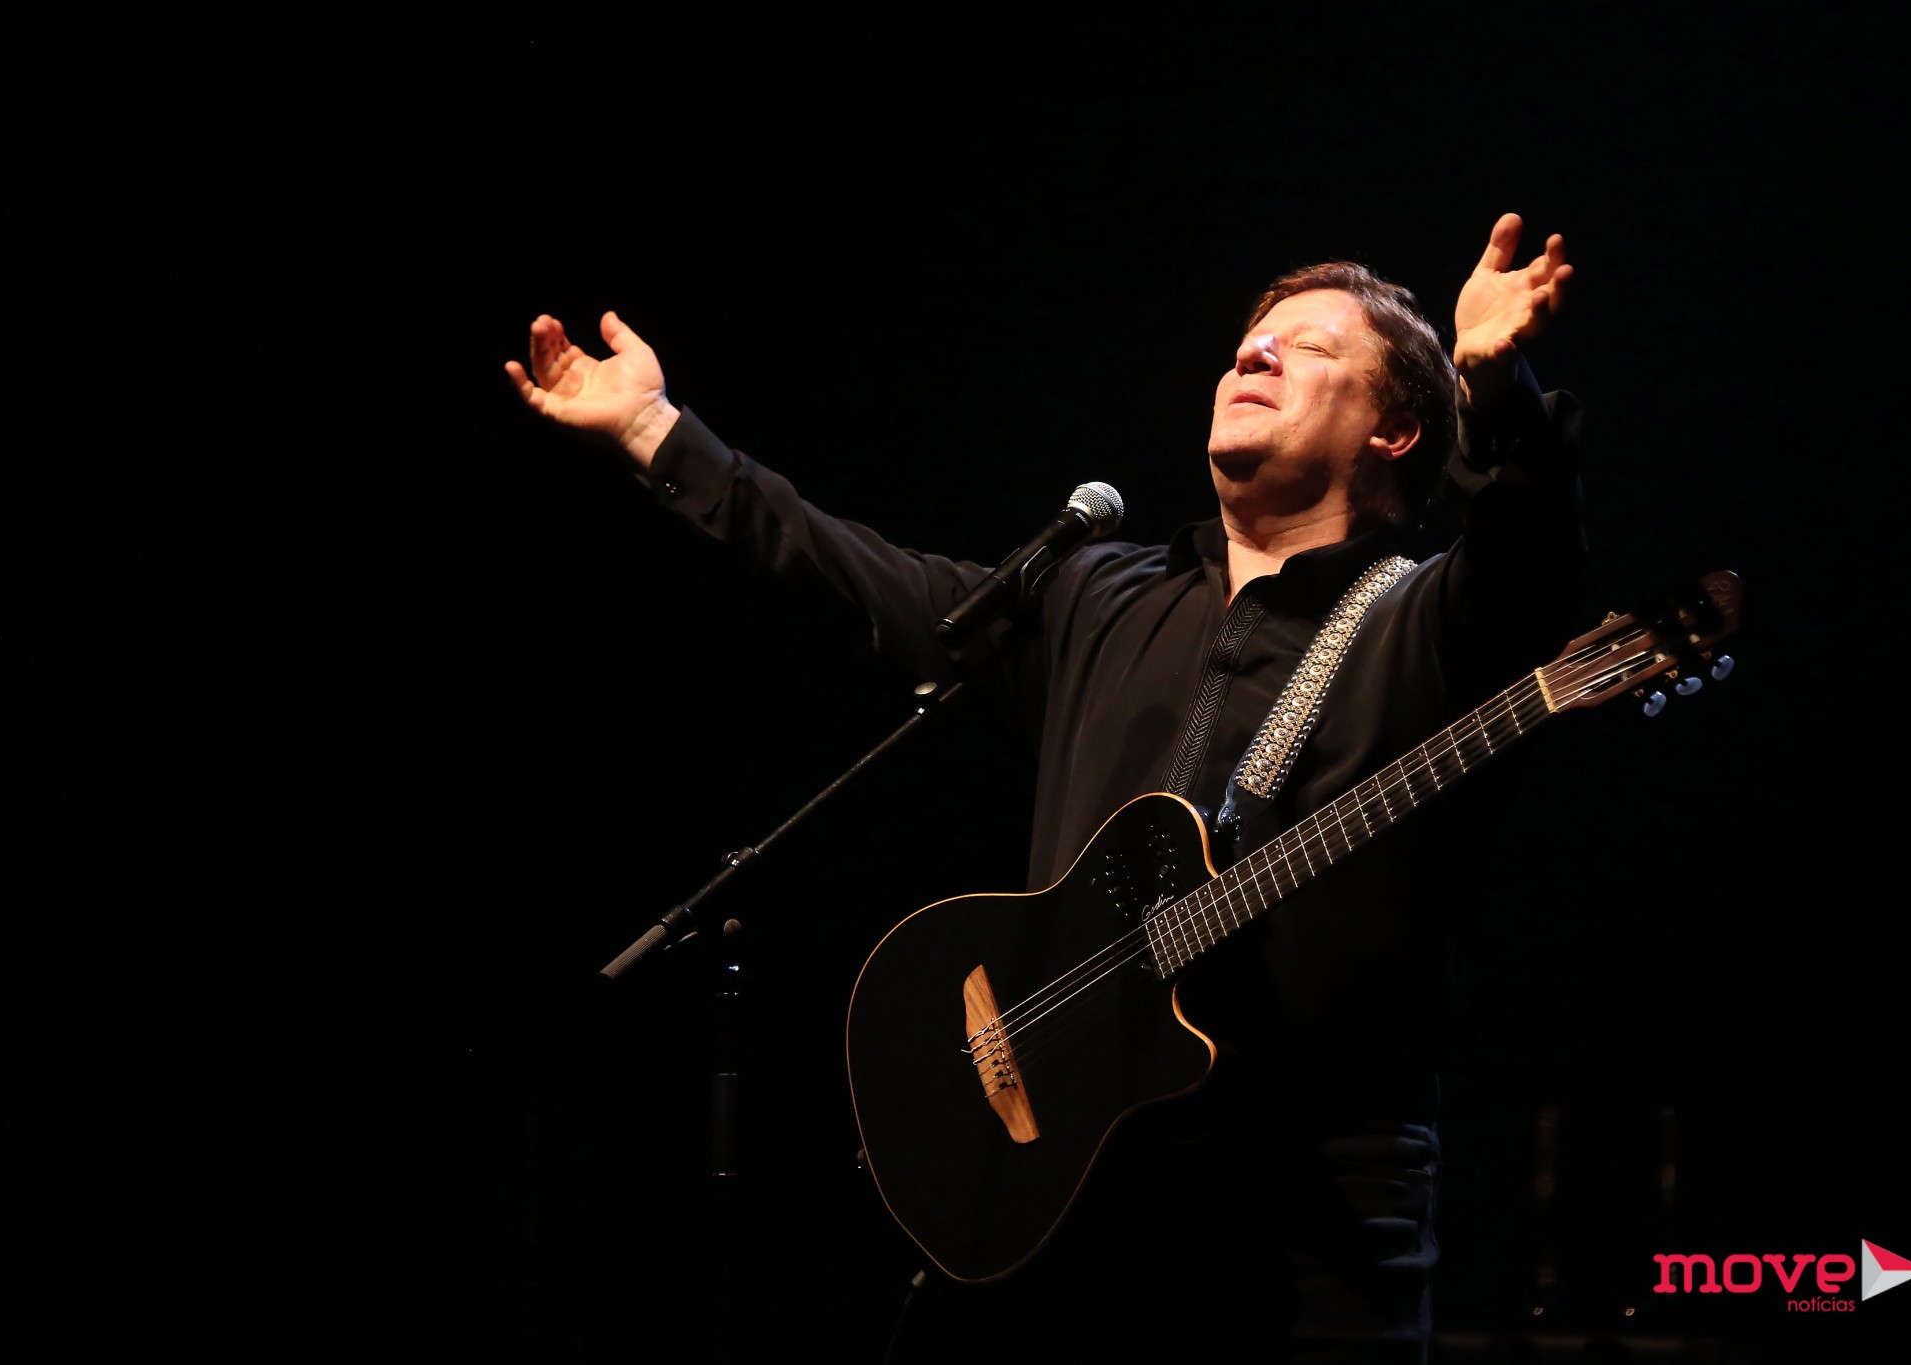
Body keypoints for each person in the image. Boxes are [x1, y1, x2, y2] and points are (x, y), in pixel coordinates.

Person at [506, 213, 1582, 1364]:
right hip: (1066, 1180)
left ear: (1395, 430)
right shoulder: (1095, 593)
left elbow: (1526, 559)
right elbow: (857, 576)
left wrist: (1493, 388)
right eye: (1249, 340)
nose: (1253, 353)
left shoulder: (1422, 619)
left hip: (1308, 1210)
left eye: (1310, 347)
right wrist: (656, 432)